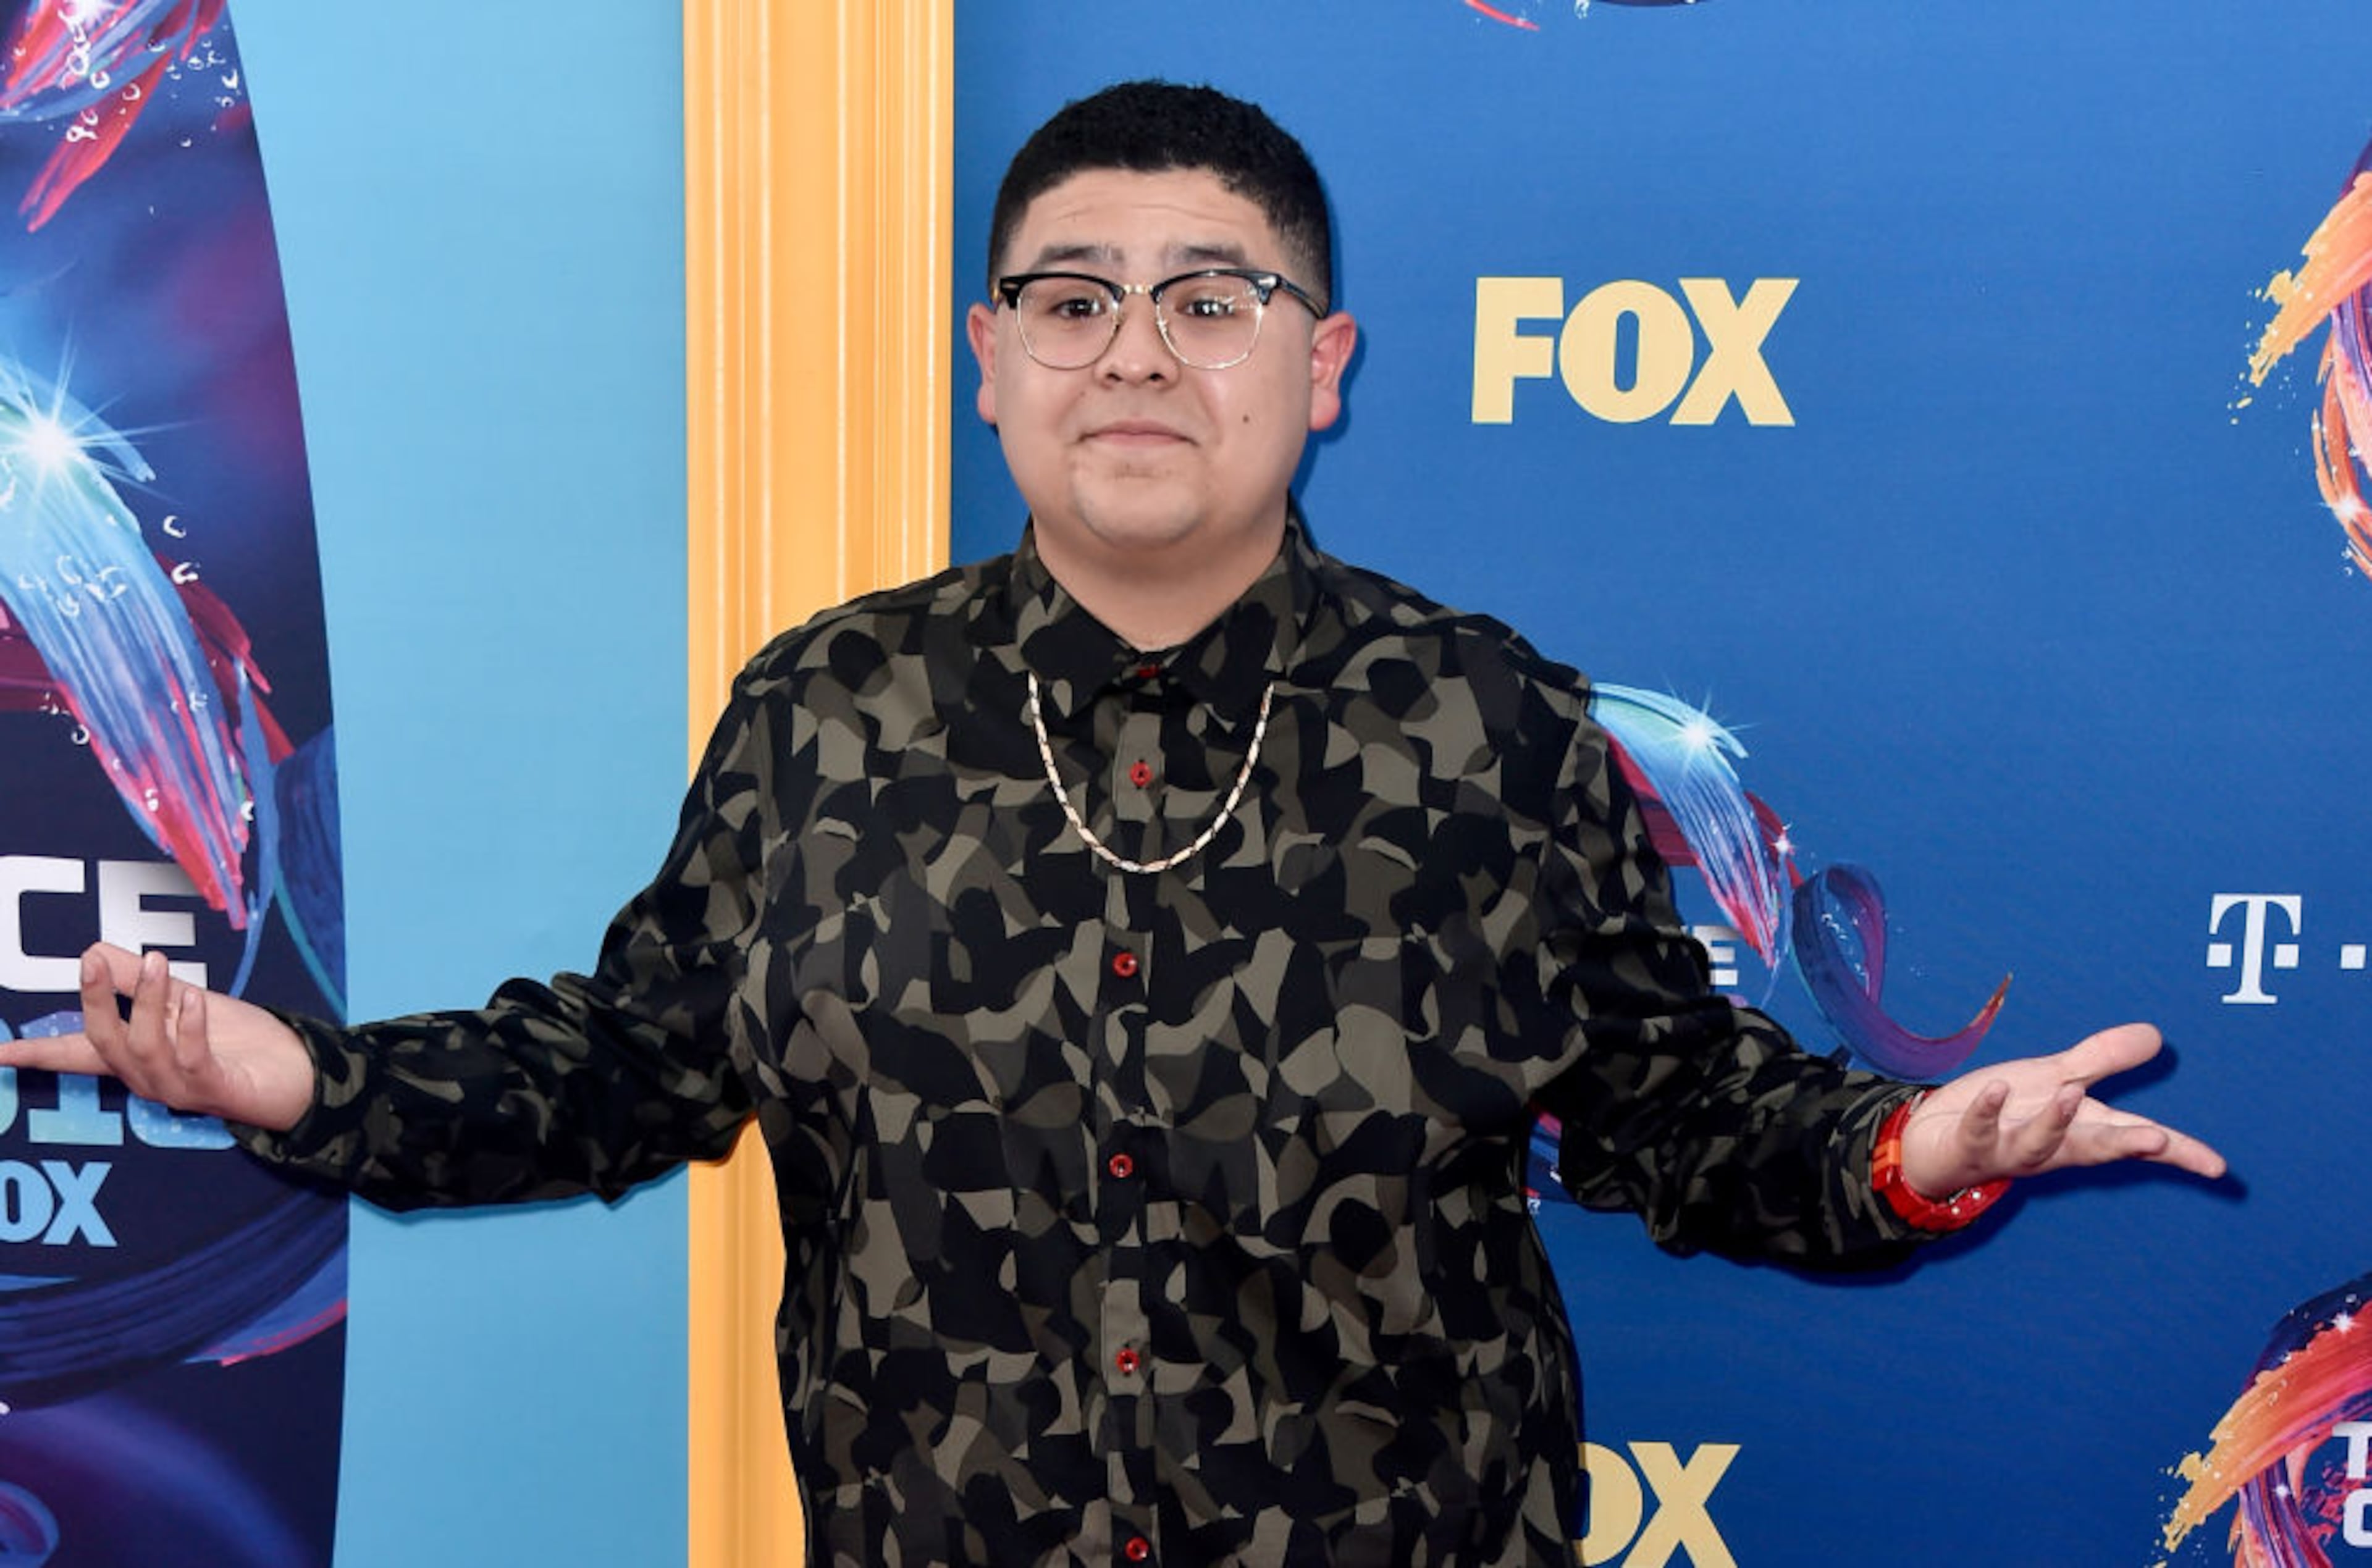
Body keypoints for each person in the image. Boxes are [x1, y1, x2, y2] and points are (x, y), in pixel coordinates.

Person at [2, 81, 2223, 1567]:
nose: (1136, 353)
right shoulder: (830, 714)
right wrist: (293, 1075)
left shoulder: (1484, 724)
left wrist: (1914, 1148)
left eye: (1208, 299)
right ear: (990, 359)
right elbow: (622, 1064)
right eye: (1073, 302)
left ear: (1323, 364)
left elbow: (1681, 1116)